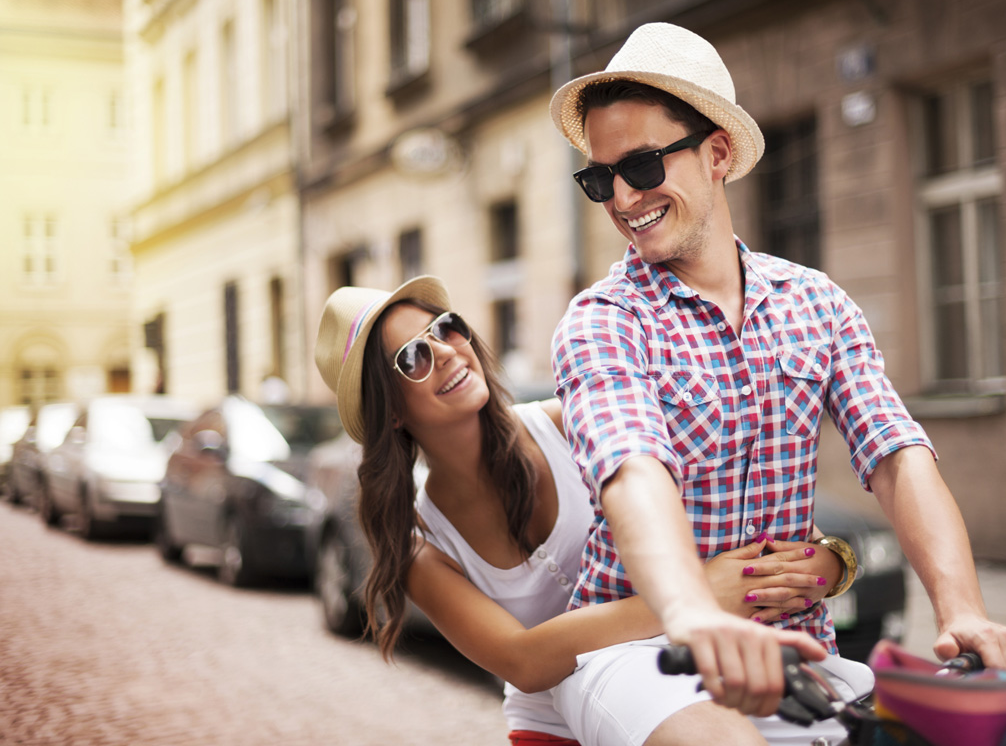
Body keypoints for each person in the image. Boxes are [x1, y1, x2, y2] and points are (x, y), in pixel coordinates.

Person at [546, 22, 1006, 743]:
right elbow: (632, 476)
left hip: (799, 650)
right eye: (598, 177)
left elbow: (896, 454)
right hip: (637, 650)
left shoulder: (818, 303)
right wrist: (695, 617)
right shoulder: (601, 322)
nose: (620, 197)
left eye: (642, 166)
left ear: (716, 155)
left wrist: (961, 611)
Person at [313, 277, 850, 745]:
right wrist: (697, 594)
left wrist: (830, 562)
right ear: (390, 415)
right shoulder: (423, 547)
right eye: (412, 357)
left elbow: (739, 501)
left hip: (689, 677)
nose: (448, 352)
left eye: (446, 329)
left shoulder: (574, 422)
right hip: (557, 724)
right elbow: (523, 661)